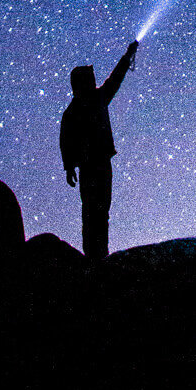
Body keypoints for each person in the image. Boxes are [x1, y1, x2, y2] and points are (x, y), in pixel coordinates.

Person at [59, 39, 138, 261]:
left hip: (93, 164)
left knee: (96, 211)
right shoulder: (92, 102)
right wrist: (69, 166)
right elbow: (115, 79)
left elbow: (65, 140)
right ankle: (97, 255)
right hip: (96, 164)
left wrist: (69, 167)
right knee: (97, 211)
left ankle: (97, 254)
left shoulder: (76, 109)